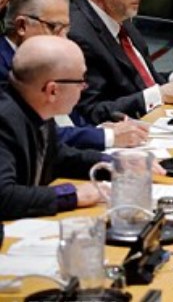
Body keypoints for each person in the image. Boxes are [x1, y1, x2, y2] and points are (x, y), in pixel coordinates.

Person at [1, 0, 148, 149]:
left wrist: (100, 129)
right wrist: (105, 136)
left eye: (66, 30)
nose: (64, 39)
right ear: (21, 26)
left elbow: (68, 120)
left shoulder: (43, 59)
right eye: (55, 28)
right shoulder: (5, 69)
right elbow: (37, 135)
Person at [0, 36, 107, 220]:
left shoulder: (34, 106)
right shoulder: (4, 119)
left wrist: (116, 164)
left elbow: (59, 157)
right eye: (80, 81)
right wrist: (72, 195)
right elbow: (4, 197)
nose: (84, 87)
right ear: (52, 90)